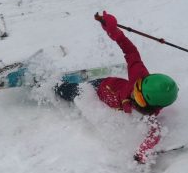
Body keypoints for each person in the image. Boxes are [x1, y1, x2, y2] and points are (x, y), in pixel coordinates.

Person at [55, 11, 179, 164]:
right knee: (67, 92)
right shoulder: (139, 75)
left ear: (152, 105)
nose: (134, 94)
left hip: (108, 99)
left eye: (139, 97)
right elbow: (130, 51)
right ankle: (50, 86)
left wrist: (142, 152)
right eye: (137, 88)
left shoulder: (149, 116)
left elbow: (155, 134)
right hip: (99, 88)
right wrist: (114, 32)